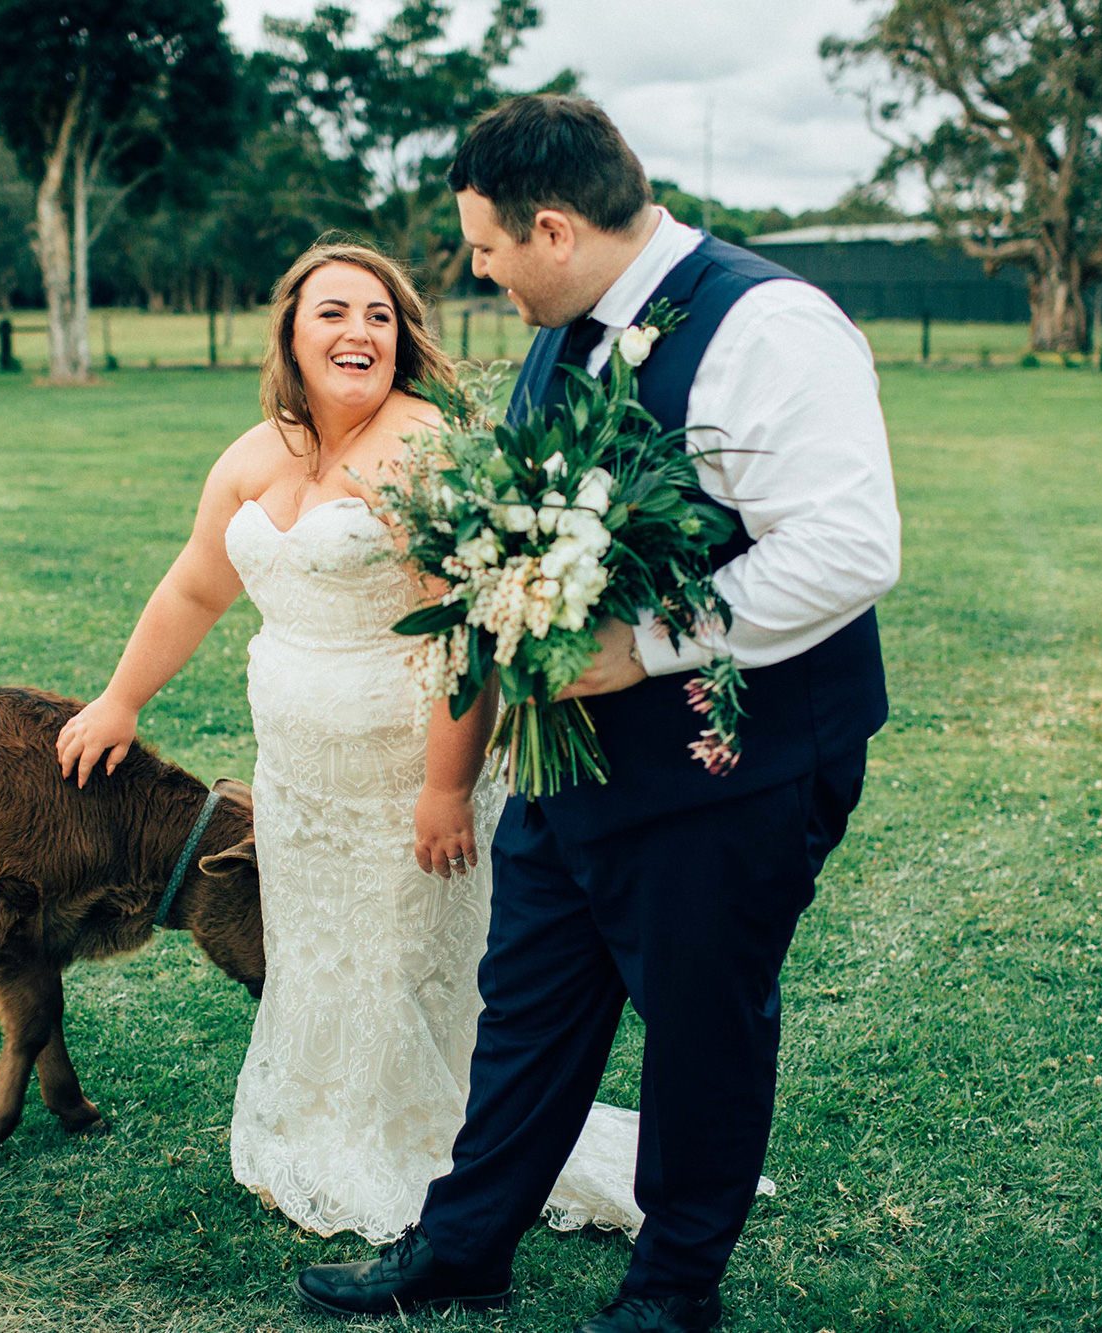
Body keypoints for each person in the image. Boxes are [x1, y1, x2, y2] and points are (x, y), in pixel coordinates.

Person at [293, 96, 901, 1333]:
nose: (473, 268)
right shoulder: (565, 327)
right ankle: (463, 1246)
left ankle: (673, 1287)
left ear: (554, 228)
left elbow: (848, 549)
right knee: (528, 1003)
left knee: (699, 1024)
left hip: (733, 764)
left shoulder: (769, 327)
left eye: (483, 245)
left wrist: (649, 646)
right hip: (569, 763)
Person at [54, 241, 638, 1243]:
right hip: (297, 776)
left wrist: (446, 791)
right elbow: (196, 586)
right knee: (321, 954)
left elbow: (467, 632)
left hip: (408, 770)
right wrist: (118, 700)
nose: (355, 332)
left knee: (404, 960)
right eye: (331, 312)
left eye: (376, 315)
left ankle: (437, 1144)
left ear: (400, 337)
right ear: (290, 330)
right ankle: (322, 1125)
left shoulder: (426, 449)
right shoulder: (254, 451)